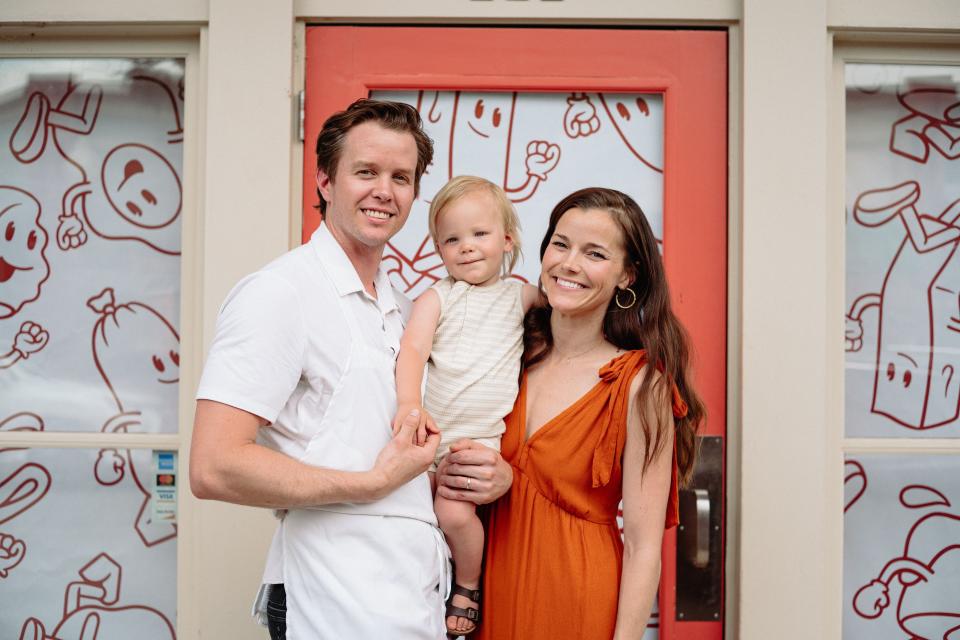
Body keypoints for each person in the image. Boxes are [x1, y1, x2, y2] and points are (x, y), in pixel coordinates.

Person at [189, 99, 512, 640]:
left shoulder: (409, 309)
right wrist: (370, 484)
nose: (384, 190)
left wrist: (490, 477)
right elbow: (213, 466)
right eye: (366, 172)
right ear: (324, 180)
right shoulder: (281, 293)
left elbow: (406, 447)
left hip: (415, 597)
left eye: (401, 177)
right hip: (331, 599)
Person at [437, 187, 705, 639]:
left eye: (595, 253)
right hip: (487, 598)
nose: (569, 264)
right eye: (560, 244)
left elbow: (643, 547)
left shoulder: (640, 385)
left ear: (627, 275)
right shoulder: (506, 353)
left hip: (577, 601)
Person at [392, 175, 539, 635]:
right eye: (452, 239)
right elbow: (412, 351)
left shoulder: (522, 297)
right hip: (428, 437)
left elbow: (571, 320)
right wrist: (409, 406)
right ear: (439, 249)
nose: (467, 247)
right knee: (414, 524)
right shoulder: (437, 298)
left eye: (479, 234)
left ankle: (469, 584)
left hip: (474, 446)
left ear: (507, 239)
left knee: (455, 514)